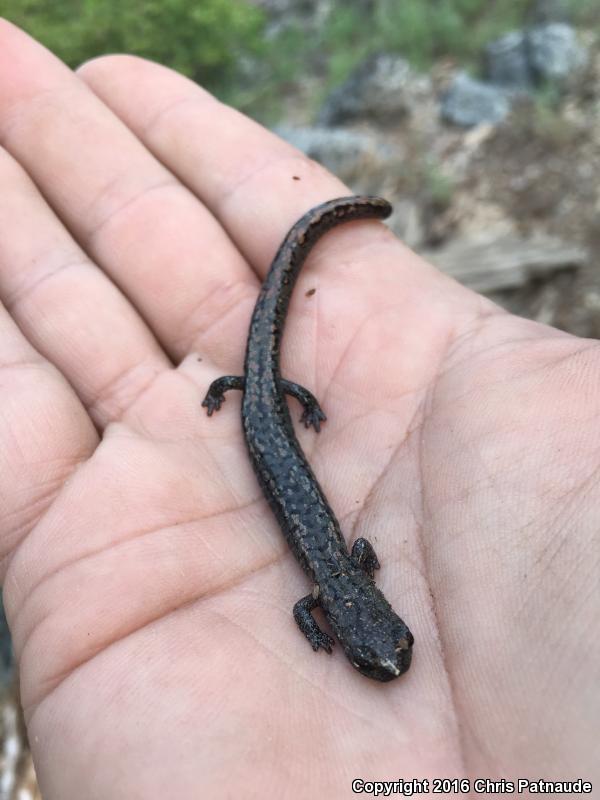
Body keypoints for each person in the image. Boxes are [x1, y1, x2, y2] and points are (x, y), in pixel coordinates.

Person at [0, 18, 597, 799]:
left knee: (264, 378)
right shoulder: (330, 589)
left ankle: (299, 277)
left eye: (378, 653)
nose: (387, 661)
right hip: (262, 414)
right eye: (385, 648)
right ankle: (289, 292)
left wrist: (277, 399)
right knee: (261, 376)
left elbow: (333, 588)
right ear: (362, 617)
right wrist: (245, 389)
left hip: (267, 419)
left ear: (364, 620)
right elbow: (309, 608)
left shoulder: (339, 580)